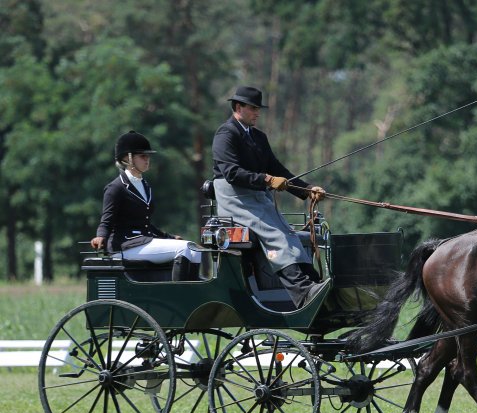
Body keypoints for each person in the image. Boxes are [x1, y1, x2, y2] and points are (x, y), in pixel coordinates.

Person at [211, 85, 329, 309]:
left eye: (259, 109)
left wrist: (306, 189)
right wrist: (266, 180)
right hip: (235, 203)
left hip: (257, 201)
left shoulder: (258, 136)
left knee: (290, 235)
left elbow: (278, 170)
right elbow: (231, 173)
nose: (257, 113)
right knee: (277, 235)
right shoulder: (225, 134)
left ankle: (314, 283)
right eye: (253, 108)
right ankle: (303, 293)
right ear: (238, 107)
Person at [91, 131, 202, 281]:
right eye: (142, 156)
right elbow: (106, 221)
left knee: (194, 249)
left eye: (148, 156)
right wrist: (100, 237)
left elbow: (145, 224)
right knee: (183, 249)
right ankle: (180, 297)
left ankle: (192, 293)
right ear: (127, 158)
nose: (147, 159)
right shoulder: (115, 188)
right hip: (125, 246)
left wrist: (168, 237)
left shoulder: (145, 185)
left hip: (143, 241)